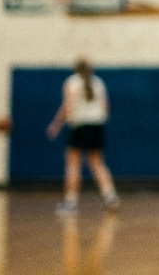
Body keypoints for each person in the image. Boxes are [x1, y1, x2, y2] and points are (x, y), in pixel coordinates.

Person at [47, 58, 119, 215]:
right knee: (97, 162)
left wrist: (56, 125)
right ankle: (110, 197)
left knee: (73, 163)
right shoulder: (98, 82)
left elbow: (67, 106)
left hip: (79, 125)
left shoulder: (71, 82)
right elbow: (106, 108)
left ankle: (71, 202)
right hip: (97, 125)